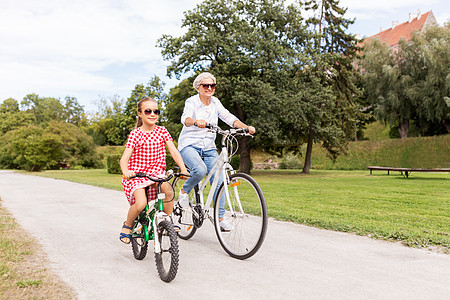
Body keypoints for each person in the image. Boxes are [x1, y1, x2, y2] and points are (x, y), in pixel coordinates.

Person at [177, 72, 255, 231]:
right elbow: (185, 119)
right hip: (189, 145)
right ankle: (184, 192)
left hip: (209, 147)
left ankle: (220, 219)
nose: (210, 88)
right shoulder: (191, 101)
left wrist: (245, 127)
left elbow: (229, 117)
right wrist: (195, 121)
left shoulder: (215, 102)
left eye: (212, 85)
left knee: (219, 180)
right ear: (198, 87)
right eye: (206, 85)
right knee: (200, 170)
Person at [119, 97, 188, 244]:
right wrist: (126, 171)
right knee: (141, 203)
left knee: (168, 190)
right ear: (140, 114)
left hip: (157, 174)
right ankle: (128, 225)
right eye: (148, 111)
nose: (152, 114)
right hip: (137, 175)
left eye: (156, 111)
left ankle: (168, 219)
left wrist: (183, 168)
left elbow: (174, 151)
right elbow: (124, 158)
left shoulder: (162, 131)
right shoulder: (135, 134)